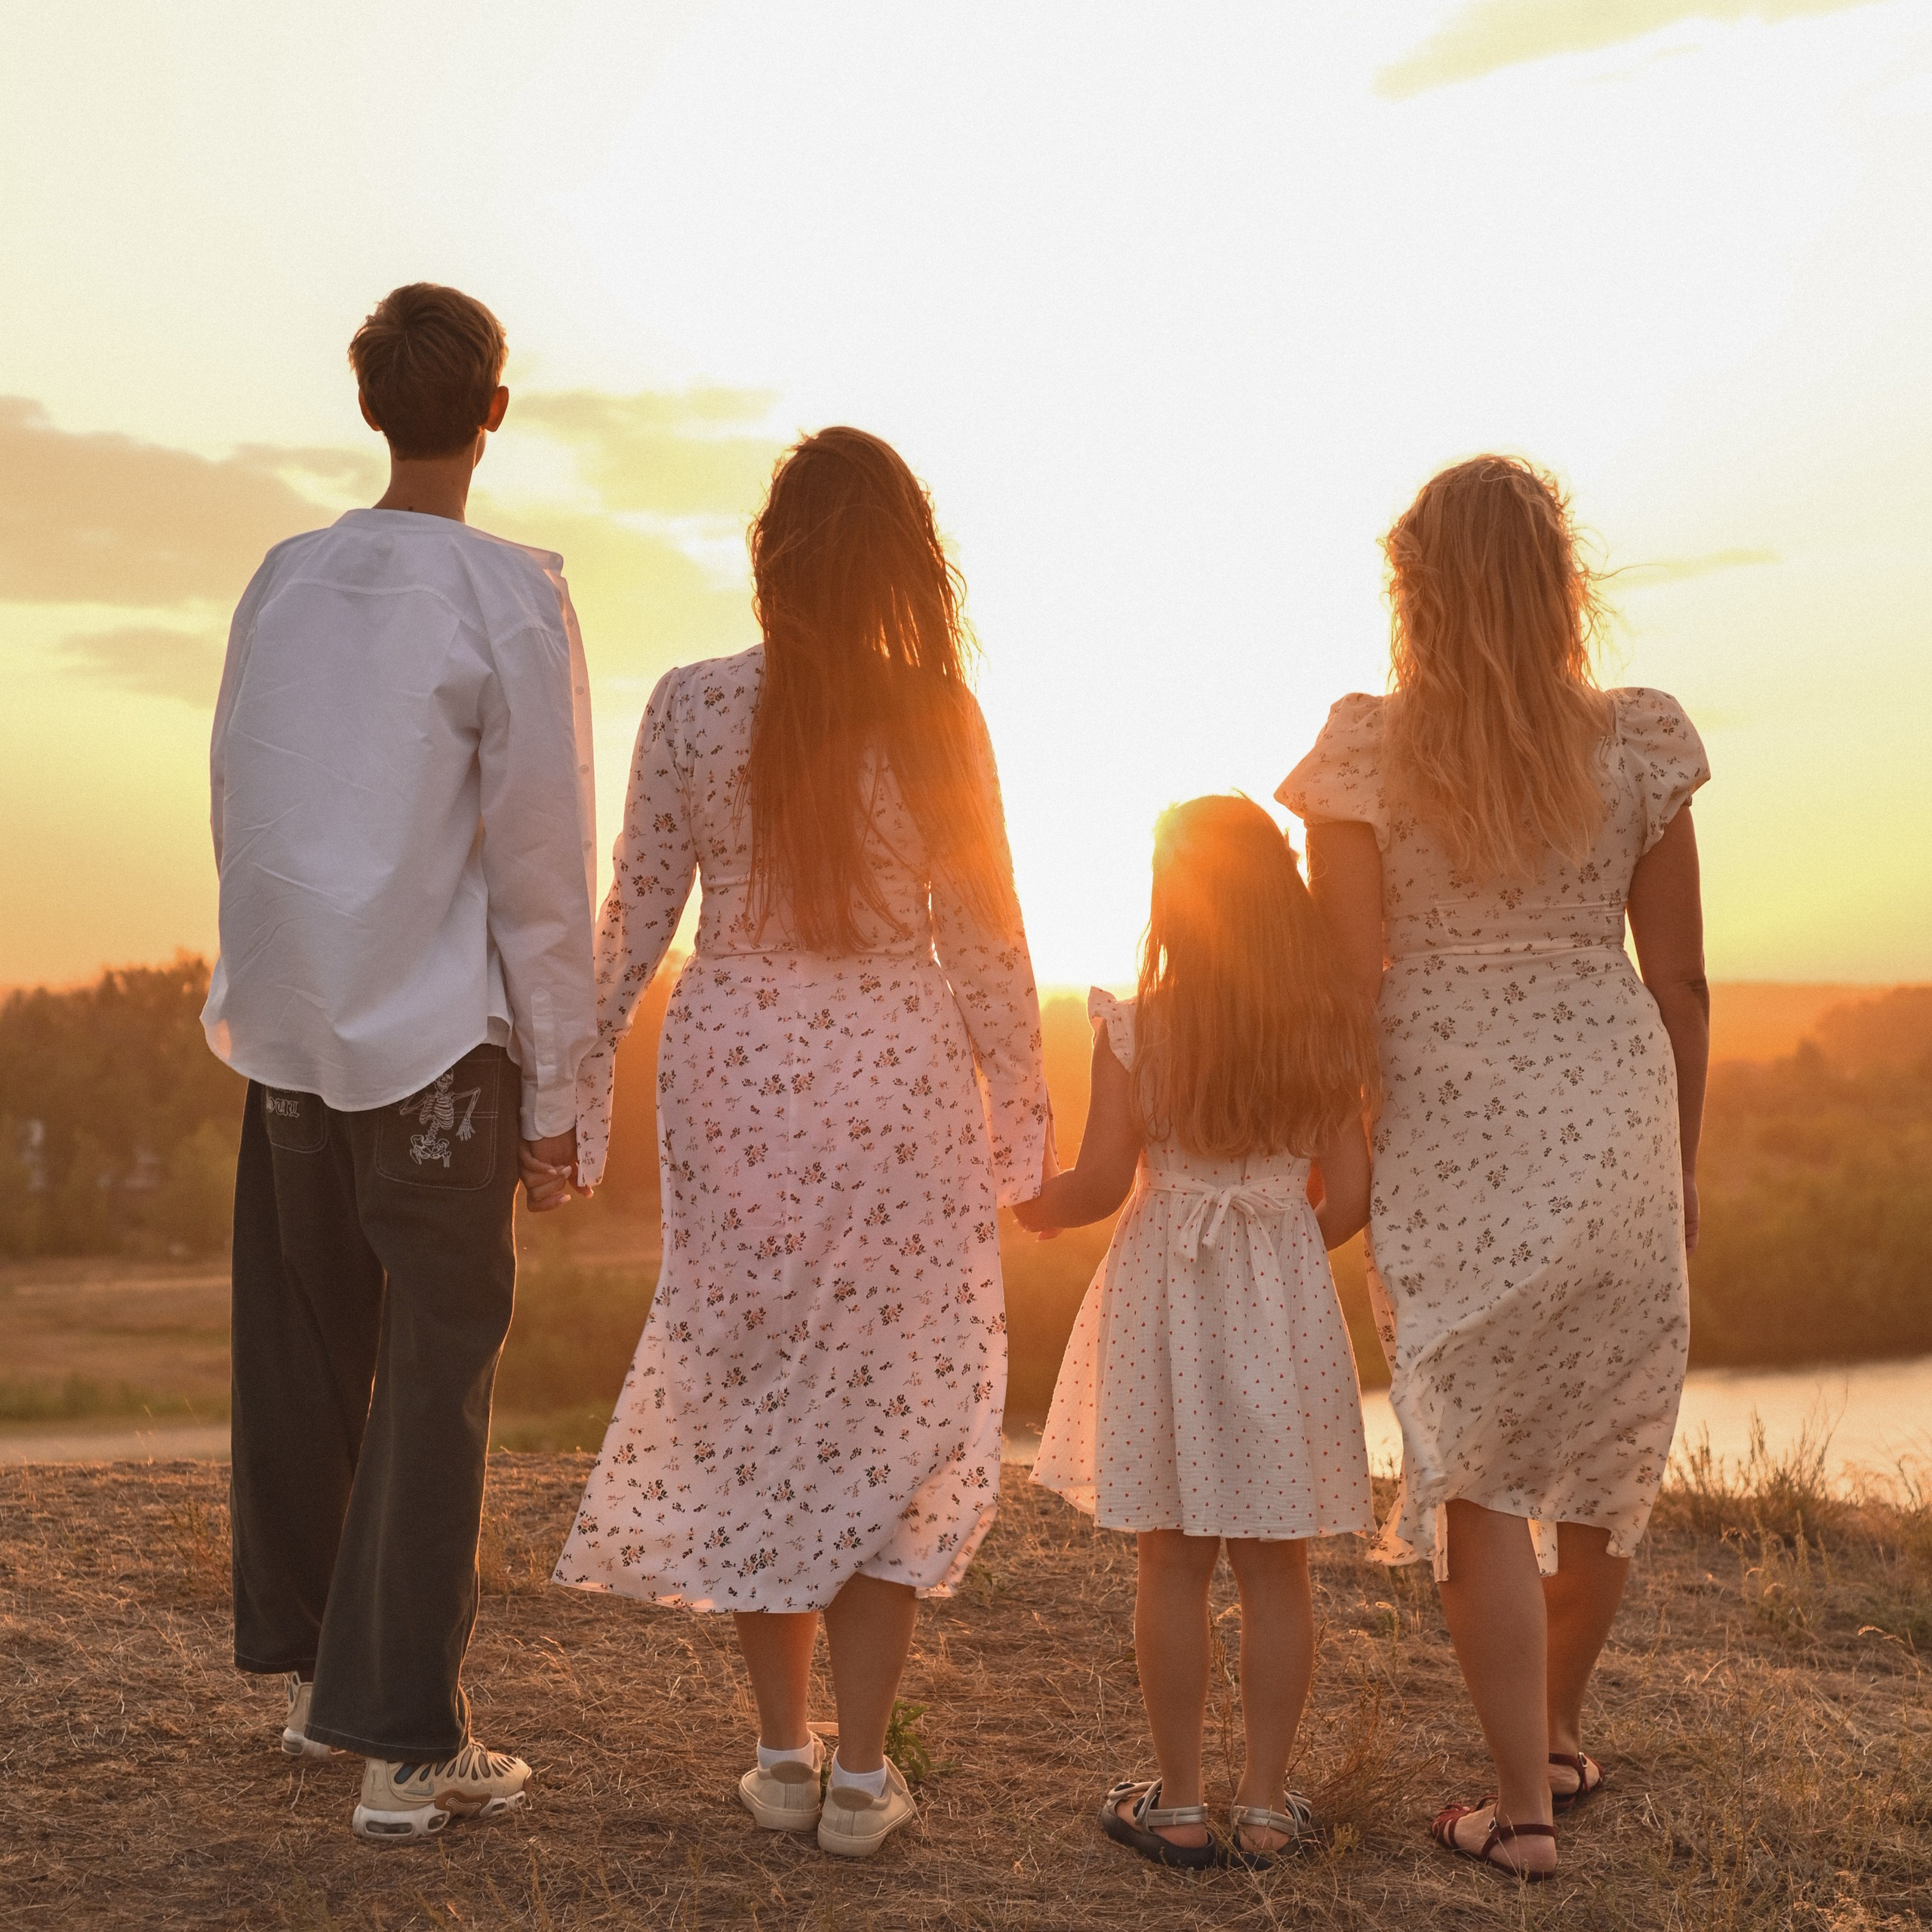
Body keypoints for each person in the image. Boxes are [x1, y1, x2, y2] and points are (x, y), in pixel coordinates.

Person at [543, 427, 1054, 1860]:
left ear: (771, 557)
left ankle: (781, 1753)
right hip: (897, 1077)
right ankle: (862, 1775)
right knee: (888, 1410)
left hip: (734, 1068)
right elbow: (991, 940)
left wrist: (575, 1112)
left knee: (760, 1392)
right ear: (906, 566)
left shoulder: (697, 705)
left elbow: (631, 923)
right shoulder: (941, 716)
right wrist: (1023, 1131)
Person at [202, 283, 598, 1842]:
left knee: (306, 1357)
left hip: (291, 1027)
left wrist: (266, 988)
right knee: (433, 1380)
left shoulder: (281, 579)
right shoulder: (509, 592)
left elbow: (239, 789)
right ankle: (405, 1748)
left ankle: (322, 1696)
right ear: (489, 410)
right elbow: (542, 867)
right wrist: (563, 1101)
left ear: (372, 406)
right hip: (439, 1042)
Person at [1279, 454, 1710, 1881]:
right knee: (1601, 1461)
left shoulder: (1367, 751)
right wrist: (1682, 1172)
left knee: (1475, 1477)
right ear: (1560, 582)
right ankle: (1558, 1734)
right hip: (1614, 1103)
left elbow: (1348, 988)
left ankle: (1521, 1811)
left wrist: (1339, 1147)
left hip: (1448, 1118)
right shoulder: (1635, 741)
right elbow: (1687, 985)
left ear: (1417, 589)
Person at [1018, 795, 1380, 1871]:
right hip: (1279, 1278)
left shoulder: (1141, 1024)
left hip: (1164, 1289)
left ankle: (1178, 1803)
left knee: (1169, 1561)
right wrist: (1280, 1250)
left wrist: (1026, 1203)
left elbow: (1095, 1182)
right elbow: (1354, 1193)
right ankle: (1266, 1808)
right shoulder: (1326, 1028)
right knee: (1278, 1567)